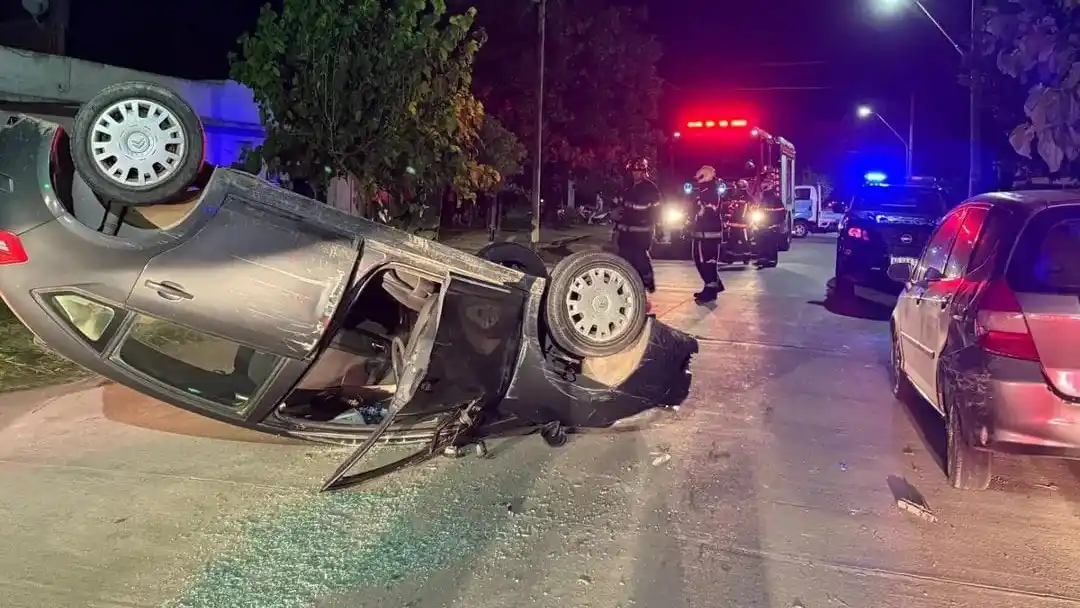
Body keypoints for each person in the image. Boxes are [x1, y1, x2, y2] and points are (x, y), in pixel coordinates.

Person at [614, 157, 661, 292]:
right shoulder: (628, 186)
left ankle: (648, 281)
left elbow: (651, 208)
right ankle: (626, 287)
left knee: (639, 257)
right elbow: (618, 201)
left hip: (642, 230)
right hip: (625, 230)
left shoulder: (650, 188)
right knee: (624, 258)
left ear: (644, 171)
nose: (634, 174)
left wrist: (628, 206)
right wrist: (616, 206)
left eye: (637, 171)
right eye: (633, 171)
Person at [688, 165, 726, 303]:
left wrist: (698, 206)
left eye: (700, 177)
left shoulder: (712, 189)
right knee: (700, 260)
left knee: (707, 261)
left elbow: (708, 209)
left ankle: (711, 290)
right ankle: (712, 285)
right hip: (702, 232)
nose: (697, 180)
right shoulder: (703, 190)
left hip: (709, 233)